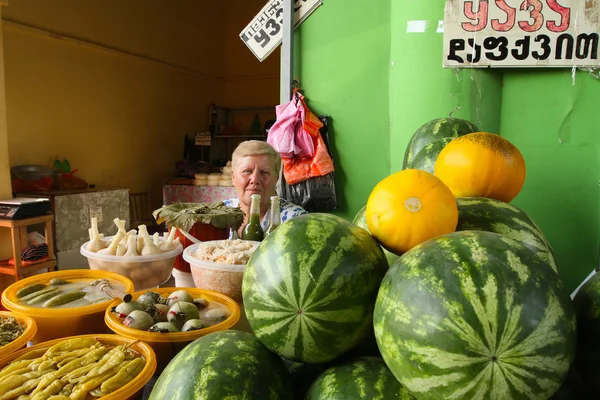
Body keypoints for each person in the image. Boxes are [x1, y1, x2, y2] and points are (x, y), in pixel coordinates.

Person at [224, 140, 307, 237]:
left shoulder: (295, 221)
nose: (255, 180)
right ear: (233, 177)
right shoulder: (217, 214)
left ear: (276, 178)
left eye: (264, 172)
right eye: (247, 171)